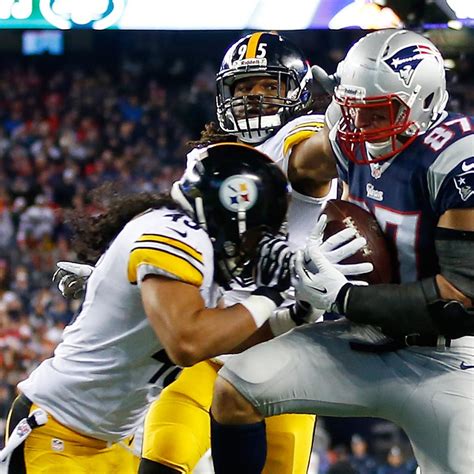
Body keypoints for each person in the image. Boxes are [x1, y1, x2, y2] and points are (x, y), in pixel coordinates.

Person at [55, 32, 362, 474]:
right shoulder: (208, 159)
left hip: (286, 350)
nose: (254, 97)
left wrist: (351, 119)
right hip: (212, 348)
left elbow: (320, 157)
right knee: (161, 463)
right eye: (244, 87)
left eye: (268, 85)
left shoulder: (300, 138)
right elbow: (174, 242)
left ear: (296, 92)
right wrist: (116, 281)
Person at [209, 28, 474, 474]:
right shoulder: (348, 136)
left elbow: (461, 302)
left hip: (448, 358)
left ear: (423, 101)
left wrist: (344, 297)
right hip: (363, 338)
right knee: (236, 388)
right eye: (354, 112)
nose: (362, 128)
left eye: (377, 113)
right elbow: (277, 173)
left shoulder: (458, 160)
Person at [4, 143, 293, 474]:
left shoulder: (196, 248)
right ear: (233, 213)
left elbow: (222, 337)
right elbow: (188, 343)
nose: (254, 247)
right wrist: (268, 295)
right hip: (58, 434)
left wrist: (294, 315)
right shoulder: (175, 233)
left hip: (112, 440)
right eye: (256, 233)